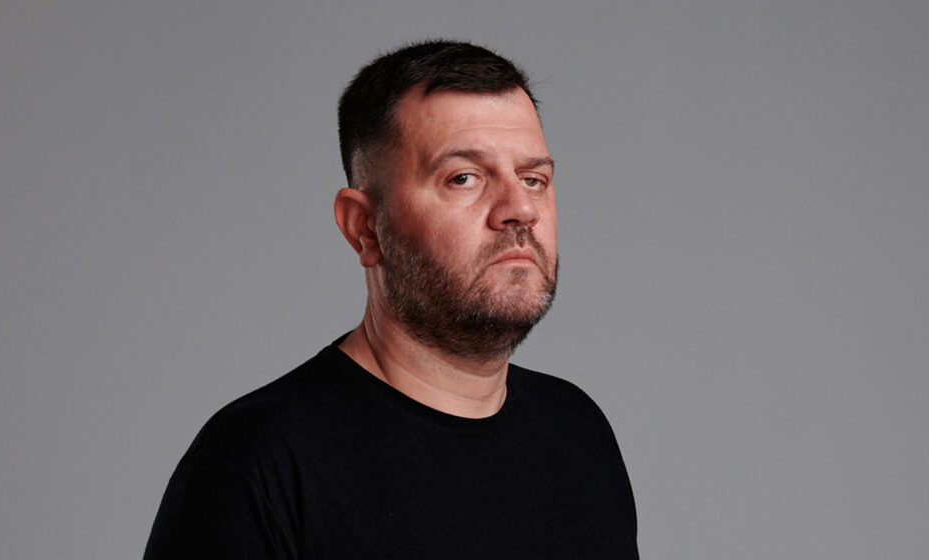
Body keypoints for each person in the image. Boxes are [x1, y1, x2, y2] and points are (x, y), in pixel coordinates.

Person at [144, 40, 638, 559]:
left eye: (534, 179)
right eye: (464, 178)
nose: (520, 209)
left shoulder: (578, 434)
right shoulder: (258, 463)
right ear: (364, 227)